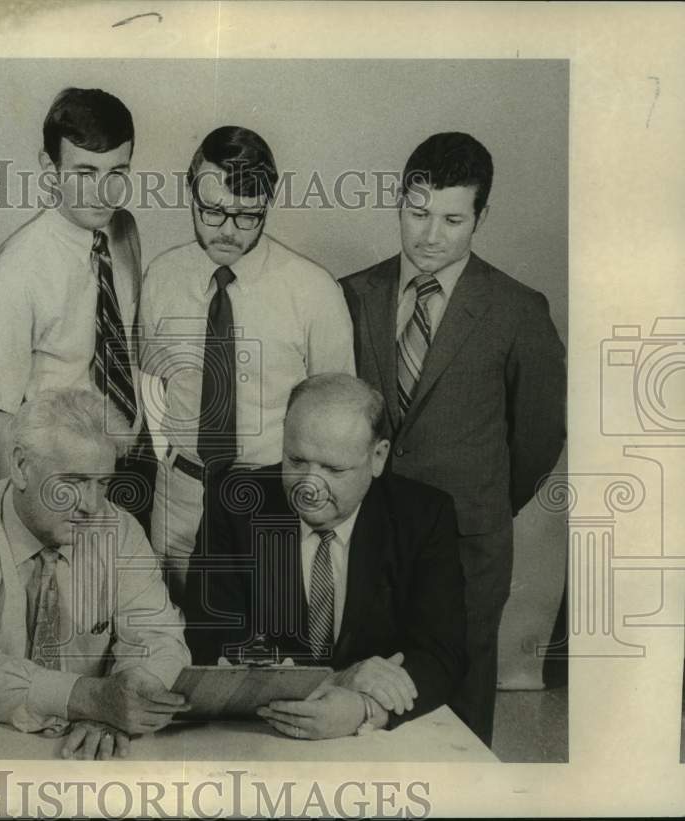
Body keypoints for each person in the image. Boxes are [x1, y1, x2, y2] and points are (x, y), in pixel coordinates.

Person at [339, 132, 566, 746]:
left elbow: (539, 437)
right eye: (417, 214)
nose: (430, 235)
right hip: (372, 535)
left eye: (452, 219)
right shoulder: (353, 296)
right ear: (398, 203)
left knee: (458, 713)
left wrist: (484, 504)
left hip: (469, 543)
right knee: (371, 705)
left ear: (481, 217)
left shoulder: (519, 310)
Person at [139, 126, 356, 604]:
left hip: (269, 501)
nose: (228, 230)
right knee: (167, 642)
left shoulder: (314, 291)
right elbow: (152, 382)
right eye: (212, 210)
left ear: (269, 202)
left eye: (247, 215)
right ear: (189, 191)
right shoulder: (162, 276)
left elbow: (337, 420)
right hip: (180, 497)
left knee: (263, 654)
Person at [185, 374, 466, 738]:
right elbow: (211, 641)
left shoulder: (424, 516)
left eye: (333, 469)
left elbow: (442, 654)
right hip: (262, 730)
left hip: (378, 741)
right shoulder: (235, 504)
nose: (309, 486)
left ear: (377, 457)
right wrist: (337, 681)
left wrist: (365, 709)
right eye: (297, 460)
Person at [0, 389, 190, 760]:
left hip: (86, 732)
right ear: (21, 467)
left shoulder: (119, 530)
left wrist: (122, 705)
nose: (91, 505)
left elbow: (159, 637)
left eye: (102, 483)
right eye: (73, 482)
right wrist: (93, 700)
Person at [0, 87, 156, 531]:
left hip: (133, 460)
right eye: (85, 172)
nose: (103, 191)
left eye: (118, 172)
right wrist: (23, 524)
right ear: (49, 168)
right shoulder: (16, 270)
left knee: (127, 594)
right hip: (61, 476)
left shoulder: (123, 228)